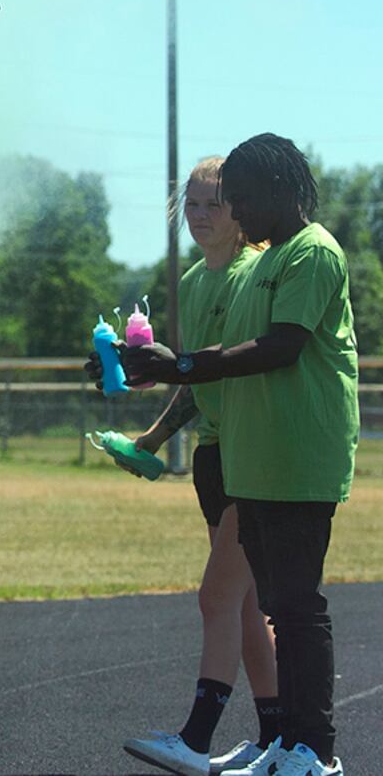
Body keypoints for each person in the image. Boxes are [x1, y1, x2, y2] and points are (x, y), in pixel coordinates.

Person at [122, 134, 356, 776]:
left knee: (298, 609)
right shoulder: (262, 261)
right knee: (276, 606)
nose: (231, 212)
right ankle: (284, 742)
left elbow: (280, 347)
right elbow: (216, 367)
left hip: (298, 455)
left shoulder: (310, 253)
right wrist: (157, 369)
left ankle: (316, 751)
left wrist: (183, 366)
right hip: (253, 460)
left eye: (238, 198)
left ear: (274, 191)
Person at [105, 158, 279, 776]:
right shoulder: (197, 281)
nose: (202, 216)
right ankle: (274, 737)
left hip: (253, 455)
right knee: (246, 604)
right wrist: (150, 438)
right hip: (214, 454)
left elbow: (231, 363)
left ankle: (198, 739)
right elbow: (195, 375)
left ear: (240, 212)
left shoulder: (252, 274)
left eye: (216, 205)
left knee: (218, 597)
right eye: (193, 205)